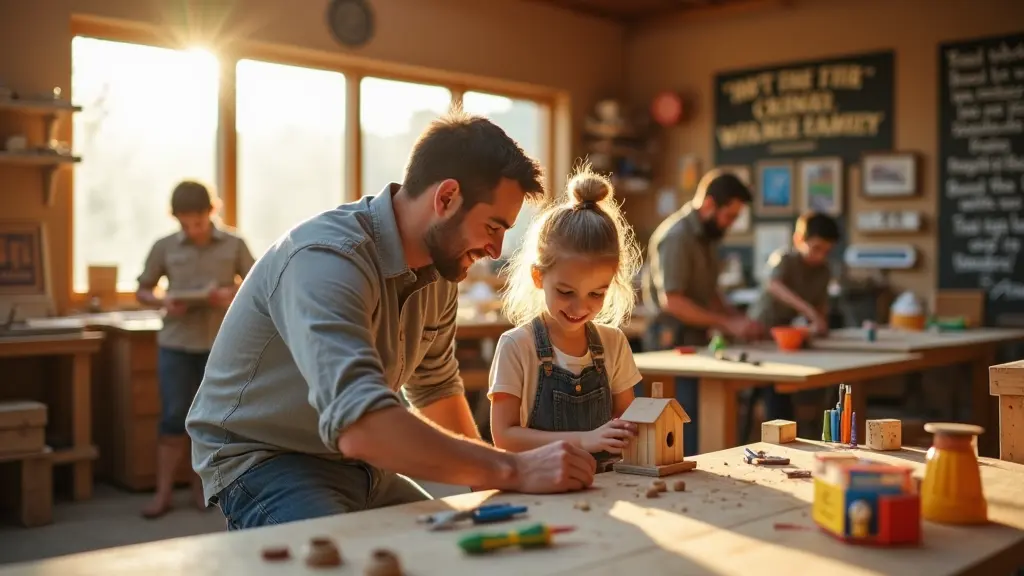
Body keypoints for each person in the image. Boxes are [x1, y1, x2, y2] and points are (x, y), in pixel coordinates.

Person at [185, 109, 599, 531]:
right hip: (267, 459)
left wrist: (489, 486)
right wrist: (514, 469)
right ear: (446, 197)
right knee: (354, 562)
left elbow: (434, 385)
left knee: (462, 547)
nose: (496, 250)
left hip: (357, 460)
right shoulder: (326, 259)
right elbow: (362, 426)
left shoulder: (440, 270)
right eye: (493, 226)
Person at [488, 167, 643, 469]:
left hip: (608, 490)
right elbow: (504, 436)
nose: (579, 307)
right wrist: (585, 440)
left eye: (596, 294)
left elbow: (629, 422)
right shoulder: (517, 346)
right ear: (538, 276)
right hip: (539, 487)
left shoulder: (614, 343)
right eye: (565, 291)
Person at [136, 180, 256, 519]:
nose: (193, 229)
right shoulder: (163, 247)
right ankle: (162, 496)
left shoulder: (234, 244)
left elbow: (258, 284)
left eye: (198, 222)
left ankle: (204, 491)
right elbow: (143, 290)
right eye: (185, 223)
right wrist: (162, 301)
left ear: (211, 211)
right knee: (174, 418)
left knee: (216, 422)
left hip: (221, 346)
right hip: (175, 344)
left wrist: (229, 294)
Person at [640, 169, 761, 455]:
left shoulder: (705, 236)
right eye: (728, 216)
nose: (729, 225)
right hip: (670, 340)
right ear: (709, 204)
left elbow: (709, 293)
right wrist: (727, 323)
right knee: (682, 424)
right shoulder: (678, 237)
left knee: (701, 418)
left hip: (694, 340)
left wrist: (737, 320)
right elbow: (675, 301)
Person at [747, 210, 839, 421]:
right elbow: (774, 285)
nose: (820, 256)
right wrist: (809, 312)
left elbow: (821, 305)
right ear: (799, 240)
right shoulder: (784, 259)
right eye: (816, 249)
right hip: (760, 334)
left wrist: (819, 323)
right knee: (776, 385)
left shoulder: (824, 270)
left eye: (827, 251)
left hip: (790, 340)